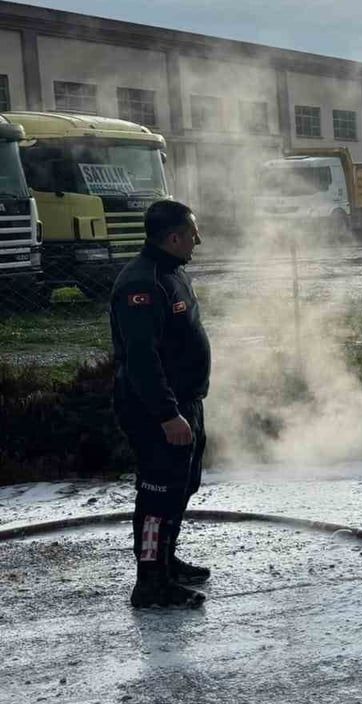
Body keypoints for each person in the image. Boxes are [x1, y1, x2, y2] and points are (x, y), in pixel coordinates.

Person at [110, 200, 211, 610]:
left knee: (181, 486)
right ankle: (150, 582)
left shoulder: (172, 272)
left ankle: (165, 562)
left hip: (184, 403)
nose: (197, 240)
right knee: (157, 496)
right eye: (192, 233)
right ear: (172, 237)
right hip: (155, 411)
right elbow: (141, 359)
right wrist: (168, 414)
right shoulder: (143, 283)